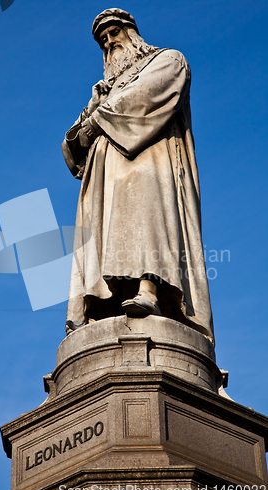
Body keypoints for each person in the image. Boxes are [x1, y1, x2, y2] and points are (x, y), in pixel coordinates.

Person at [62, 8, 214, 344]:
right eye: (103, 40)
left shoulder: (167, 60)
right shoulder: (101, 92)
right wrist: (90, 120)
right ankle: (103, 306)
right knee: (104, 236)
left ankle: (150, 290)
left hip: (148, 163)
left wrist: (98, 118)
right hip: (104, 179)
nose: (109, 43)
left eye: (114, 33)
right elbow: (73, 143)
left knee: (148, 221)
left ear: (131, 32)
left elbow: (147, 99)